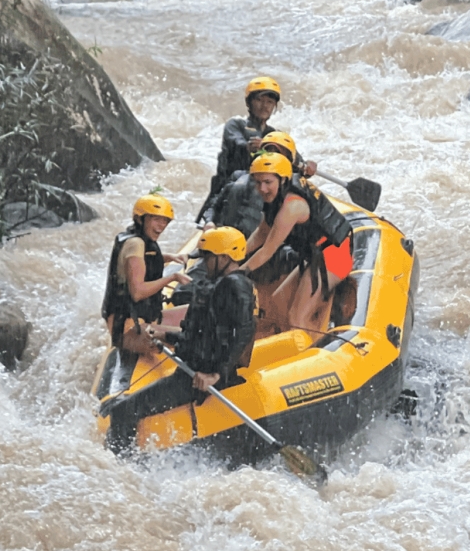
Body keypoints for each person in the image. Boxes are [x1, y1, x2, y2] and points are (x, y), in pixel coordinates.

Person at [102, 227, 258, 453]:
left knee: (123, 412)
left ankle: (121, 468)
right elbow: (202, 336)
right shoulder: (220, 285)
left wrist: (216, 374)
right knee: (118, 406)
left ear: (225, 257)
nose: (203, 263)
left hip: (196, 378)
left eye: (208, 257)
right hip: (191, 369)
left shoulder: (235, 286)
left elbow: (244, 331)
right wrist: (166, 335)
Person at [243, 151, 352, 338]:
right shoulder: (275, 199)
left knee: (296, 317)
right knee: (278, 302)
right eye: (258, 182)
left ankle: (315, 356)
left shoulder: (292, 207)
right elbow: (260, 235)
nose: (262, 188)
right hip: (316, 255)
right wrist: (234, 255)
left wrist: (237, 273)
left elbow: (267, 251)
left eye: (268, 182)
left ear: (282, 180)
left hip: (335, 255)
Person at [100, 195, 189, 356]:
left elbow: (143, 262)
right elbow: (138, 292)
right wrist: (172, 277)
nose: (161, 226)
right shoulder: (135, 244)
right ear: (140, 219)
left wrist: (169, 257)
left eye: (165, 221)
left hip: (141, 318)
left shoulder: (138, 239)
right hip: (128, 328)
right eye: (156, 219)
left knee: (200, 314)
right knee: (198, 336)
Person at [197, 76, 281, 232]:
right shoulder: (235, 125)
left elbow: (292, 155)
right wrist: (250, 146)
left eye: (270, 102)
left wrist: (305, 165)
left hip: (262, 191)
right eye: (260, 100)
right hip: (228, 191)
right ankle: (213, 223)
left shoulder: (274, 134)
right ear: (249, 103)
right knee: (239, 185)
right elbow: (238, 142)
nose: (265, 106)